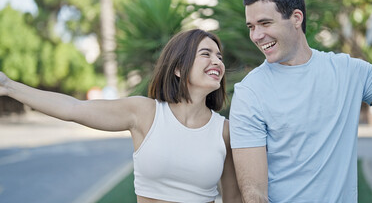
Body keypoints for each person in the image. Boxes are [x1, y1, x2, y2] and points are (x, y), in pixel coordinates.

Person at [229, 0, 372, 202]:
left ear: (296, 18)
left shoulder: (349, 71)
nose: (256, 36)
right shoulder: (249, 92)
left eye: (265, 23)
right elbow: (254, 192)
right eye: (251, 27)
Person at [0, 29, 242, 203]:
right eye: (206, 54)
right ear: (178, 68)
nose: (217, 61)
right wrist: (8, 86)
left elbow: (233, 198)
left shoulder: (225, 131)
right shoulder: (145, 112)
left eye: (219, 56)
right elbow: (72, 108)